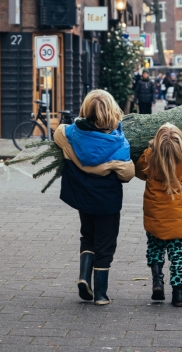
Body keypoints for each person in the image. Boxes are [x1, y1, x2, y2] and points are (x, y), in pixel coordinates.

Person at [54, 90, 135, 305]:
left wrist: (74, 157)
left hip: (83, 196)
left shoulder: (74, 133)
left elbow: (59, 133)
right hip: (107, 200)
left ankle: (83, 277)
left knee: (87, 235)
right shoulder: (117, 142)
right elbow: (127, 174)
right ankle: (100, 294)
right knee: (106, 244)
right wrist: (111, 166)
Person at [135, 123, 182, 307]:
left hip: (155, 216)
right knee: (178, 254)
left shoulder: (149, 156)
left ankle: (157, 282)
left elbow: (138, 171)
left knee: (155, 248)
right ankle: (178, 293)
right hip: (180, 217)